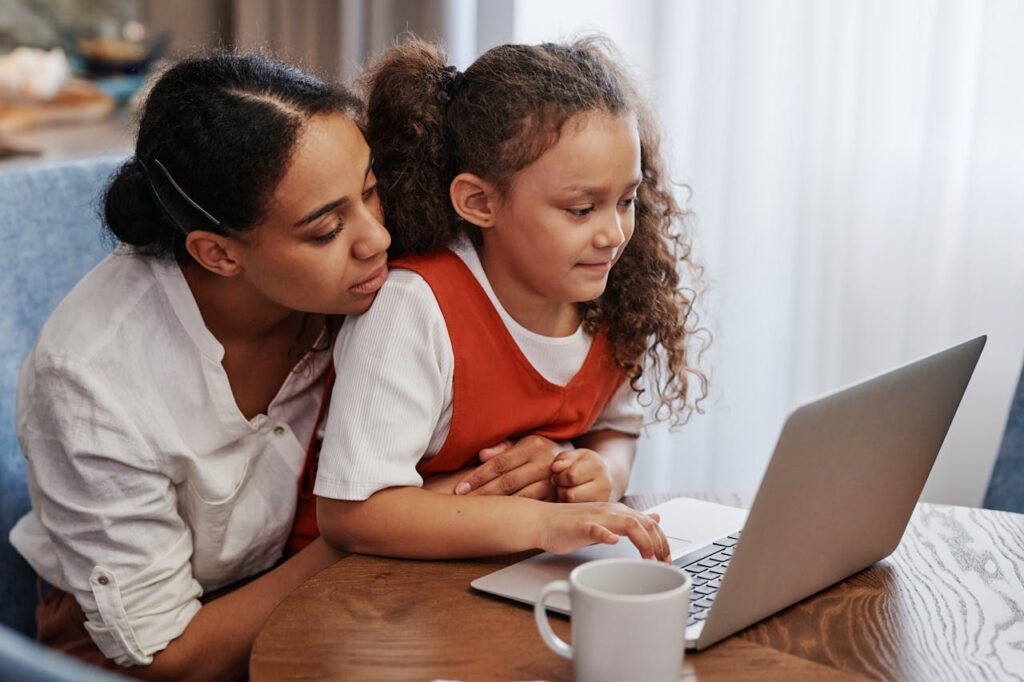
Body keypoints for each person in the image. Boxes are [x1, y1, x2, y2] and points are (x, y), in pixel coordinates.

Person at [9, 53, 391, 678]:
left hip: (317, 587)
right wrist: (366, 533)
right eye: (326, 230)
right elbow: (168, 659)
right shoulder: (89, 379)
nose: (376, 236)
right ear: (217, 253)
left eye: (371, 190)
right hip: (142, 648)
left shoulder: (359, 288)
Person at [313, 36, 708, 561]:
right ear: (479, 202)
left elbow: (615, 430)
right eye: (581, 208)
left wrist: (601, 477)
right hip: (370, 591)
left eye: (627, 200)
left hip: (512, 575)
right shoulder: (413, 307)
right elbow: (351, 515)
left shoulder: (607, 292)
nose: (615, 233)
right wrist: (546, 520)